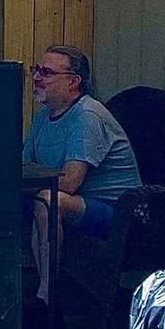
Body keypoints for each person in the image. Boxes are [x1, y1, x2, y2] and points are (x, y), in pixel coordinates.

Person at [24, 45, 141, 305]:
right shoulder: (44, 117)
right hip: (84, 206)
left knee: (49, 201)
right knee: (37, 198)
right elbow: (24, 165)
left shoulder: (87, 116)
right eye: (36, 70)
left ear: (73, 82)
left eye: (46, 72)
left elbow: (70, 182)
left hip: (119, 213)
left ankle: (47, 300)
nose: (36, 77)